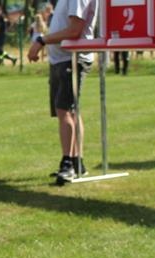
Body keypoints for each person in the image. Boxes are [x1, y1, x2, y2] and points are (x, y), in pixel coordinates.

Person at [28, 0, 98, 185]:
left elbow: (74, 30)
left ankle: (68, 163)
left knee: (64, 110)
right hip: (62, 59)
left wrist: (41, 40)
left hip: (72, 58)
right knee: (70, 111)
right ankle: (76, 162)